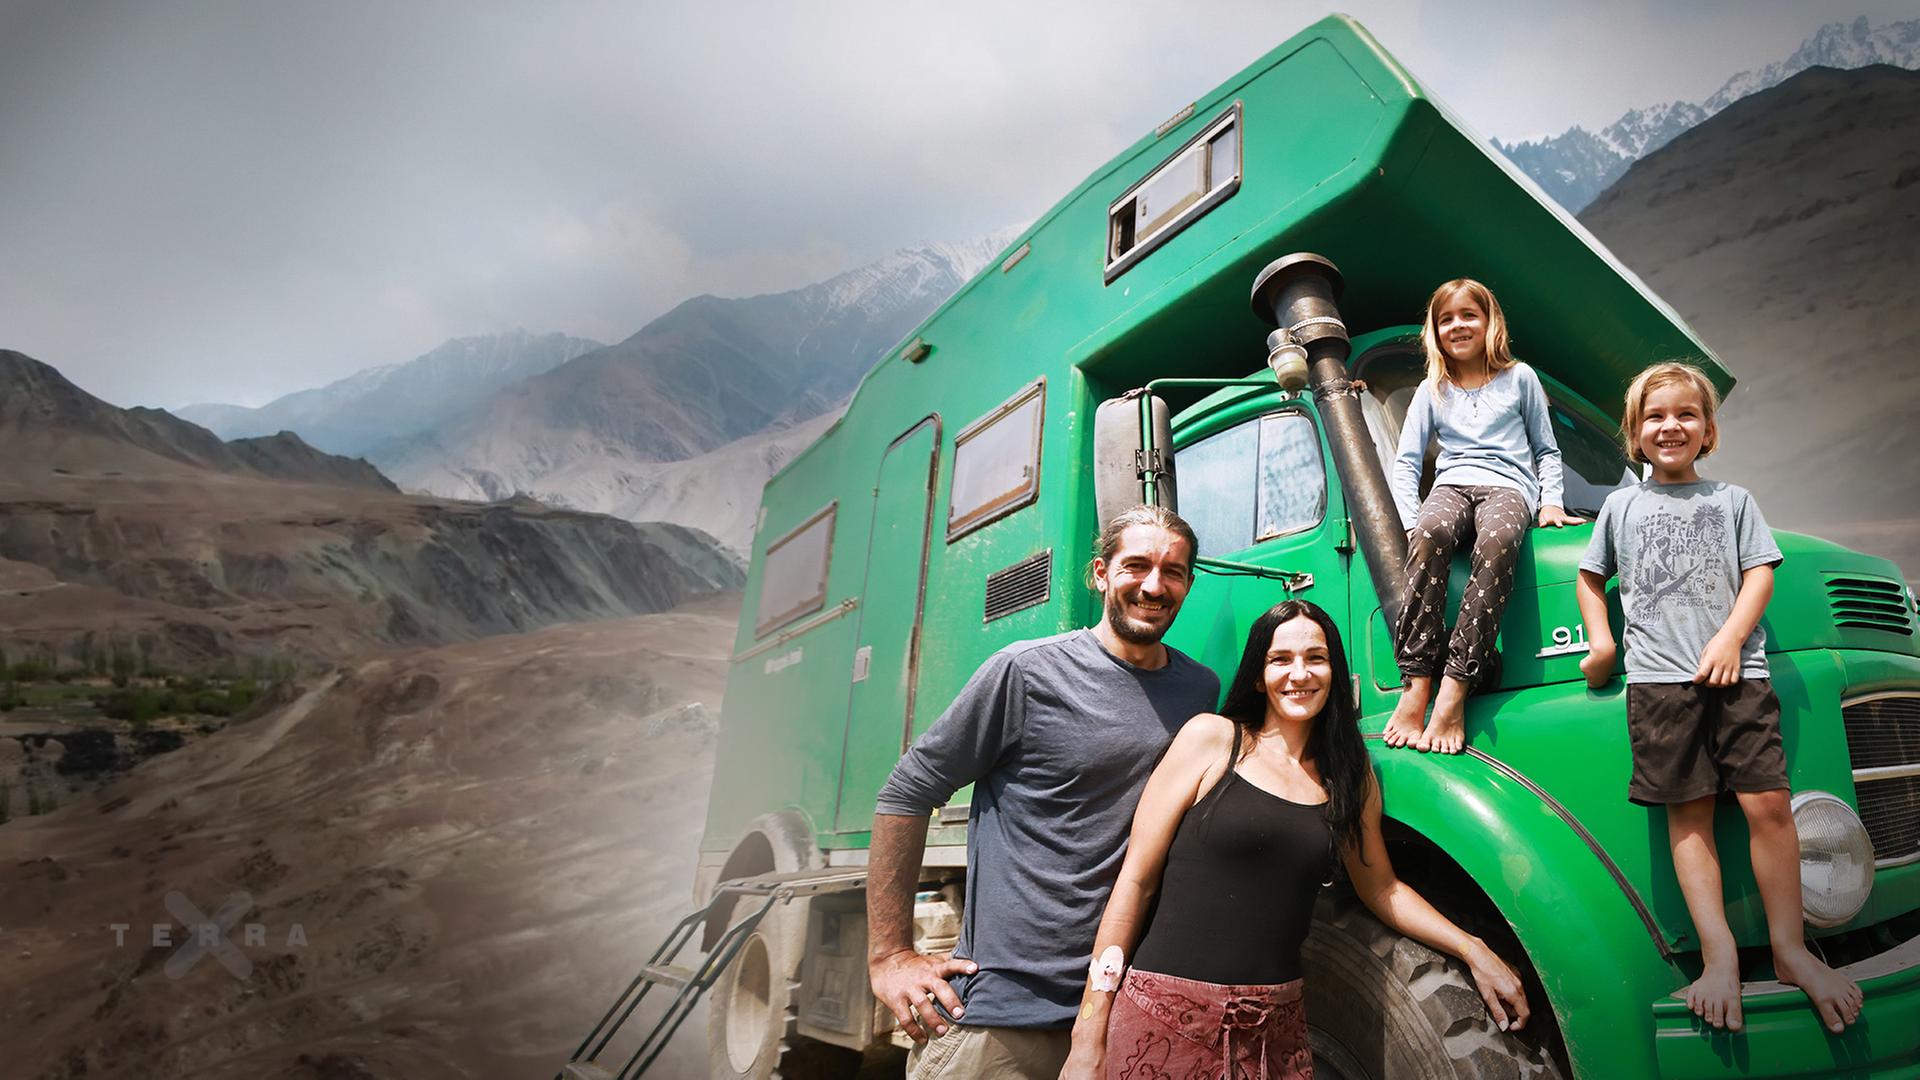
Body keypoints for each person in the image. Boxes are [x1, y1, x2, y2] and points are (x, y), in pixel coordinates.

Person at [1060, 599, 1530, 1079]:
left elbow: (1382, 889)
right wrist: (1088, 1033)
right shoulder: (1212, 739)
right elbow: (1135, 883)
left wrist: (1472, 949)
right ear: (1259, 674)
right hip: (1163, 1025)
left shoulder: (1348, 778)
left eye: (1316, 658)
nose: (1299, 673)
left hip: (1276, 1039)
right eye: (1280, 659)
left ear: (1333, 671)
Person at [868, 505, 1221, 1078]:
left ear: (1188, 583)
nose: (1154, 586)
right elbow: (908, 790)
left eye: (1173, 571)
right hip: (1000, 1018)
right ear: (1101, 573)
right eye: (1136, 566)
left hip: (1115, 1010)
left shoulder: (1198, 689)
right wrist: (889, 954)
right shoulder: (1025, 672)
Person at [1575, 361, 1862, 1035]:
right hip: (1658, 682)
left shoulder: (1733, 501)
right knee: (1689, 817)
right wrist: (1602, 642)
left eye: (1685, 414)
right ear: (1634, 434)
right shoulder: (1620, 507)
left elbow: (1759, 573)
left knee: (1768, 806)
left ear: (1708, 429)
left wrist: (1732, 638)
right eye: (1654, 416)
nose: (1669, 425)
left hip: (1739, 675)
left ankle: (1791, 951)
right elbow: (1591, 581)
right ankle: (1719, 957)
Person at [1383, 278, 1584, 754]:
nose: (1458, 326)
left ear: (1489, 321)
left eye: (1468, 315)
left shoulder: (1521, 378)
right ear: (1435, 331)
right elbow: (1408, 462)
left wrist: (1550, 501)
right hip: (1452, 484)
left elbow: (1546, 450)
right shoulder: (1431, 389)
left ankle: (1455, 685)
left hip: (1508, 486)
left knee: (1496, 541)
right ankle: (1416, 683)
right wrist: (1412, 521)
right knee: (1431, 531)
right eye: (1446, 318)